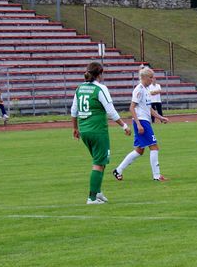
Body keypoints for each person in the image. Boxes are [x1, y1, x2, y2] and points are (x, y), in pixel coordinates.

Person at [71, 61, 131, 205]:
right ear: (100, 74)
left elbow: (74, 111)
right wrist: (124, 126)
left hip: (84, 130)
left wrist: (75, 128)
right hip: (97, 130)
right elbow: (111, 111)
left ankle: (97, 192)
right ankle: (91, 198)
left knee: (101, 161)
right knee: (98, 163)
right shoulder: (100, 88)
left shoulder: (79, 89)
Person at [113, 66, 170, 182]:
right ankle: (157, 176)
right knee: (154, 147)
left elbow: (149, 109)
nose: (152, 79)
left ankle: (118, 170)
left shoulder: (146, 90)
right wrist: (138, 124)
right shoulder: (138, 89)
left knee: (139, 150)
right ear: (144, 77)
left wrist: (160, 117)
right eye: (150, 77)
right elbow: (132, 107)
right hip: (142, 121)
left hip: (144, 121)